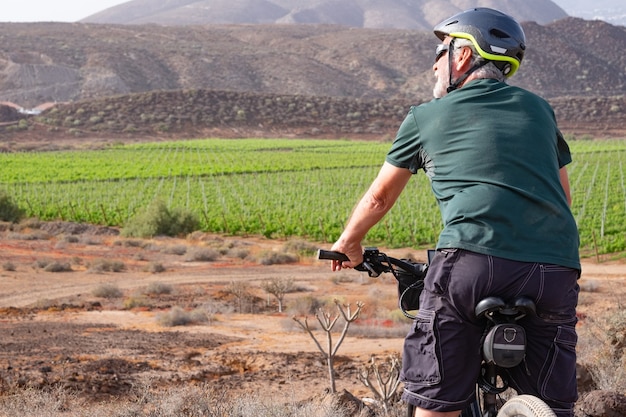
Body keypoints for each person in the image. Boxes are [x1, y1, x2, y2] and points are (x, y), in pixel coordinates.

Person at [328, 7, 580, 417]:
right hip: (555, 268)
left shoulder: (425, 117)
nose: (433, 63)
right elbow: (563, 198)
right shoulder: (540, 111)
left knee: (436, 401)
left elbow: (379, 199)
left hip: (472, 264)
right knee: (554, 404)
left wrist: (348, 244)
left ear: (462, 56)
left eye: (442, 50)